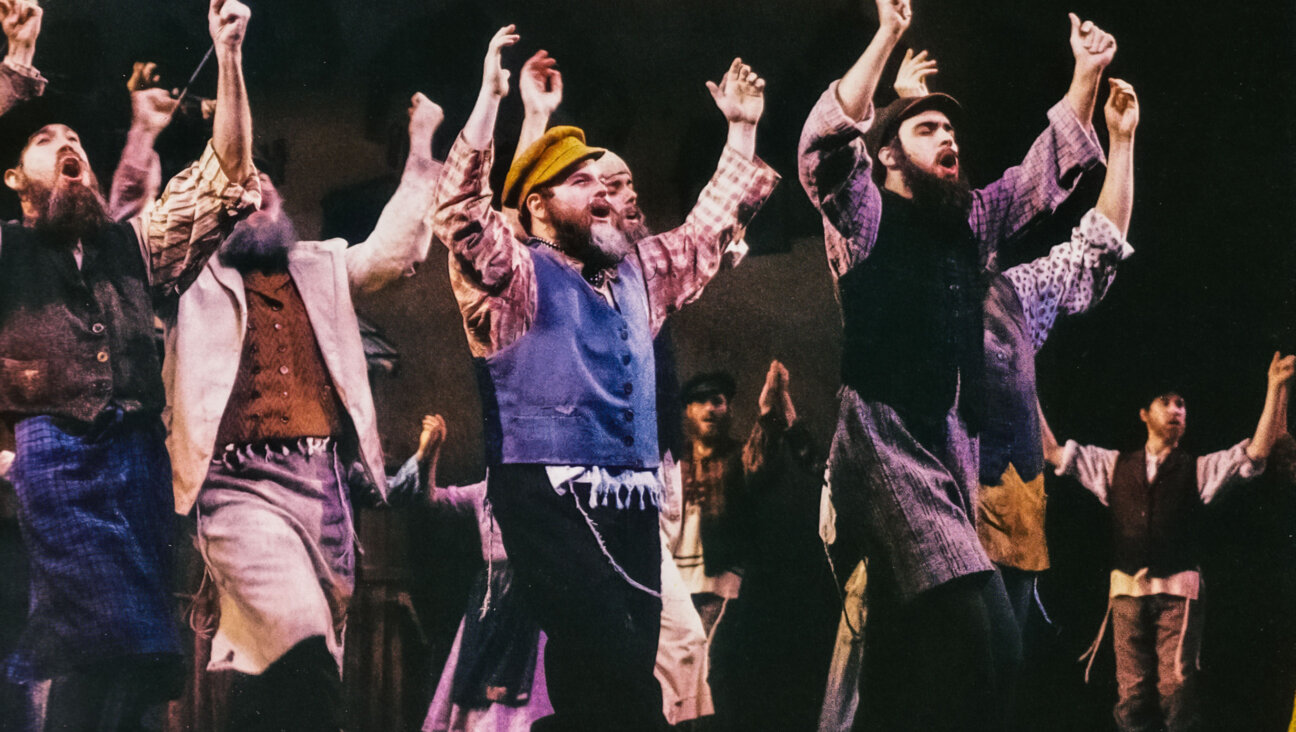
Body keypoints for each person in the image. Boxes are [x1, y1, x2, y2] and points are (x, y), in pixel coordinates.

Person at [431, 25, 777, 731]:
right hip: (545, 494)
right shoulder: (519, 277)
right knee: (617, 664)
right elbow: (460, 215)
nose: (604, 193)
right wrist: (490, 103)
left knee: (608, 676)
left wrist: (740, 132)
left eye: (605, 182)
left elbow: (708, 230)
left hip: (629, 495)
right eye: (580, 182)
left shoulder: (638, 273)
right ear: (535, 206)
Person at [797, 0, 1115, 728]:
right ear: (887, 152)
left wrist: (1087, 75)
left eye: (951, 129)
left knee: (967, 659)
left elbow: (1036, 177)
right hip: (883, 439)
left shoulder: (968, 223)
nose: (948, 138)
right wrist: (887, 35)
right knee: (982, 634)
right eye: (926, 127)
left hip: (949, 448)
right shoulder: (867, 215)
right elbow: (822, 149)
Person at [115, 70, 444, 730]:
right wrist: (144, 134)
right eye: (239, 198)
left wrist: (421, 149)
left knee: (275, 662)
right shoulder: (190, 275)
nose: (254, 202)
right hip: (237, 489)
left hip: (322, 486)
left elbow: (395, 253)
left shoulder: (320, 265)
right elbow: (128, 245)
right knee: (301, 641)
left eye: (264, 193)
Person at [0, 1, 259, 728]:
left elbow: (225, 178)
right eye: (46, 140)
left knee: (137, 665)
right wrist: (18, 66)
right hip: (58, 451)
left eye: (74, 135)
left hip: (141, 459)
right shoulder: (7, 251)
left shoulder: (135, 247)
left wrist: (229, 55)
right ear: (17, 180)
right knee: (122, 636)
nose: (66, 142)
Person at [1040, 354, 1295, 732]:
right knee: (1132, 697)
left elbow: (1255, 454)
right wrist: (1023, 384)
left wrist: (1276, 388)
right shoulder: (1114, 466)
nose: (1177, 410)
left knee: (1176, 692)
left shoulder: (1198, 469)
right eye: (1167, 402)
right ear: (1144, 413)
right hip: (1126, 595)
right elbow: (1053, 452)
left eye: (1182, 404)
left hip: (1177, 598)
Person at [386, 416, 554, 732]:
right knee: (475, 690)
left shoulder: (537, 491)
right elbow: (429, 498)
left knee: (523, 689)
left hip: (527, 600)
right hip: (488, 601)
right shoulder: (482, 492)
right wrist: (430, 451)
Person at [723, 361, 839, 732]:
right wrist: (787, 418)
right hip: (800, 615)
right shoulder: (809, 485)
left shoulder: (744, 477)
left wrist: (772, 416)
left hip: (761, 613)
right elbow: (824, 471)